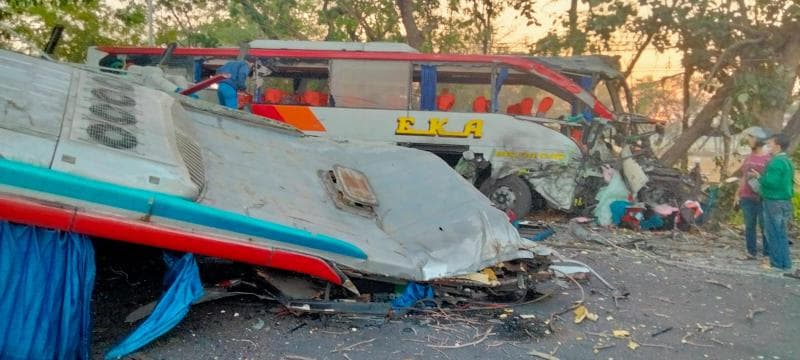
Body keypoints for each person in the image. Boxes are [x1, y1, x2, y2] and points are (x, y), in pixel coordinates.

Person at [752, 133, 795, 271]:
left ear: (777, 145)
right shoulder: (787, 161)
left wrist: (760, 178)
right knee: (781, 233)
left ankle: (776, 263)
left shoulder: (775, 162)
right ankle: (785, 263)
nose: (767, 146)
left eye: (770, 144)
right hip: (784, 200)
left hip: (773, 201)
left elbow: (771, 182)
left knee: (773, 233)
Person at [736, 127, 771, 260]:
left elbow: (769, 179)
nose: (749, 141)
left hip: (762, 197)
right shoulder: (748, 158)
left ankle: (767, 253)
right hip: (747, 196)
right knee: (749, 225)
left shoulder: (768, 159)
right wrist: (737, 194)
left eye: (752, 138)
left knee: (764, 225)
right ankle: (751, 252)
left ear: (759, 140)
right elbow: (743, 177)